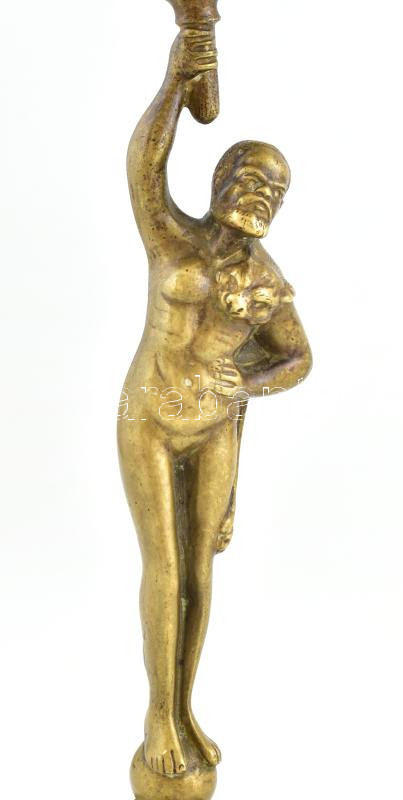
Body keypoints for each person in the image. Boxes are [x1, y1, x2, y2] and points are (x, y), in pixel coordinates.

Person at [117, 28, 312, 777]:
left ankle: (184, 706)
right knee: (164, 568)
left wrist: (249, 386)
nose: (261, 194)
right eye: (250, 176)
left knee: (201, 572)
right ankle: (158, 713)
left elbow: (296, 358)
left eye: (275, 190)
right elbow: (144, 163)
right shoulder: (171, 237)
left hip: (215, 428)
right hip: (148, 416)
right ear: (220, 180)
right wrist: (178, 80)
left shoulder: (266, 281)